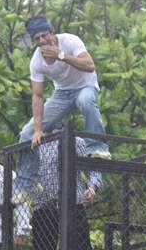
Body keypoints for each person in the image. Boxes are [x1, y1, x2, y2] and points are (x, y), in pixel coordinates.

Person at [14, 16, 110, 200]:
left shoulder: (70, 40)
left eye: (44, 35)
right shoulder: (36, 61)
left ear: (52, 32)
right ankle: (28, 184)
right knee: (26, 134)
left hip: (85, 86)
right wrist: (38, 130)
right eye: (37, 39)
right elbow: (38, 95)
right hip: (62, 94)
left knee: (85, 101)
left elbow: (90, 66)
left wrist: (61, 56)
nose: (42, 41)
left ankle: (98, 148)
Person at [32, 125, 102, 250]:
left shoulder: (74, 141)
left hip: (72, 205)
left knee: (80, 246)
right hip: (43, 206)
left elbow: (93, 169)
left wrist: (91, 188)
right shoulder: (35, 144)